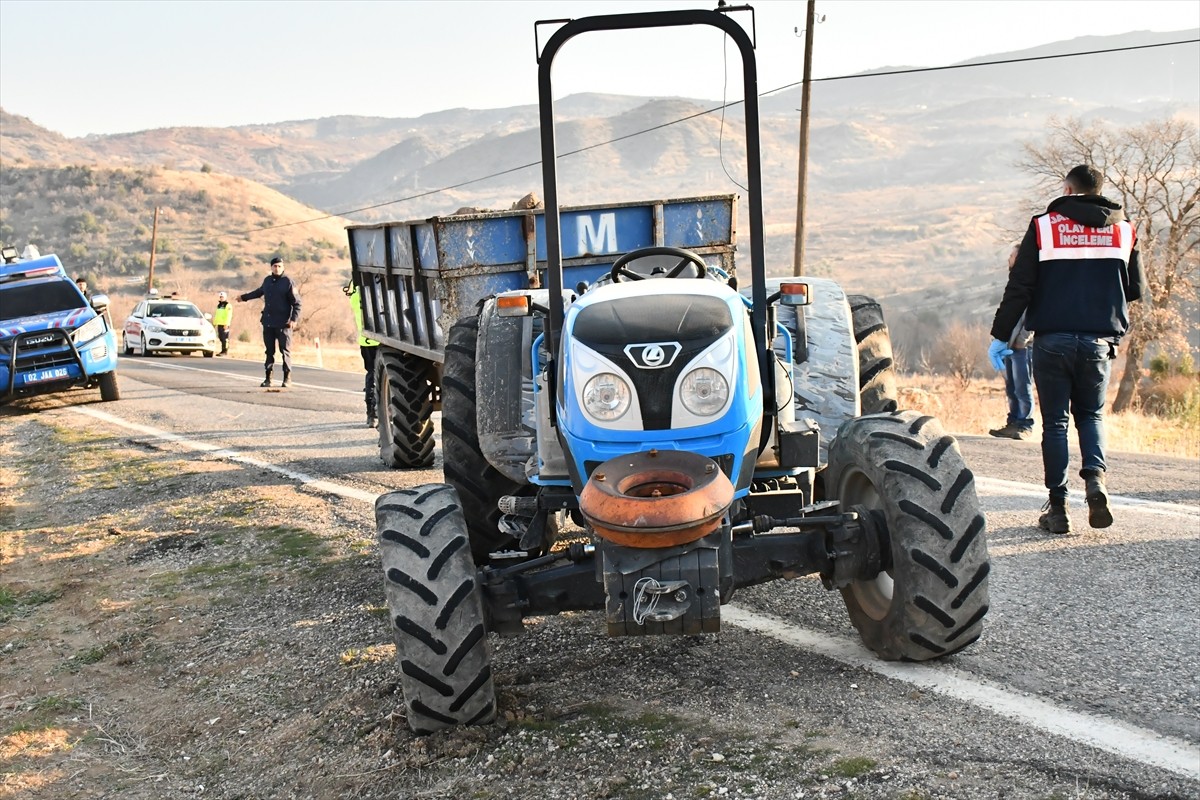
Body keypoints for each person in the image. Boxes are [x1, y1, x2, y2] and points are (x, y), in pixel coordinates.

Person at [988, 164, 1145, 535]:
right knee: (1090, 417)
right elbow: (1135, 287)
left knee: (1056, 422)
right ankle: (1095, 483)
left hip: (1053, 340)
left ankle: (1057, 508)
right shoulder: (1124, 230)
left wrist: (1000, 334)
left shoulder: (1044, 226)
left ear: (1068, 190)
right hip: (1098, 341)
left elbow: (1021, 285)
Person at [988, 244, 1035, 440]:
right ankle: (1013, 422)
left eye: (1012, 255)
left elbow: (1032, 316)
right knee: (1011, 386)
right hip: (1009, 346)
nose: (1009, 258)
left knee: (1023, 386)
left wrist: (1022, 341)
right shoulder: (1015, 282)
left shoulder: (1031, 283)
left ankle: (1025, 424)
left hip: (1022, 347)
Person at [237, 256, 301, 388]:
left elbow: (297, 303)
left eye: (279, 266)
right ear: (271, 267)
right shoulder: (267, 281)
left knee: (285, 351)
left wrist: (294, 319)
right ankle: (268, 378)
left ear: (283, 267)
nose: (277, 268)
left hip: (284, 323)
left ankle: (287, 378)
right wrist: (244, 297)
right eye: (274, 266)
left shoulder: (288, 282)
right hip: (268, 322)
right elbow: (259, 292)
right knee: (269, 351)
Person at [344, 279, 380, 427]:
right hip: (379, 340)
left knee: (371, 375)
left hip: (366, 340)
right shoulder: (375, 292)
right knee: (378, 377)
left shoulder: (355, 290)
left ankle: (371, 414)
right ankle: (376, 413)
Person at [213, 291, 233, 356]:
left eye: (222, 297)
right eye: (220, 297)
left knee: (225, 338)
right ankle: (222, 350)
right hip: (219, 324)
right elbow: (217, 315)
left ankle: (225, 351)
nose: (221, 298)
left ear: (225, 297)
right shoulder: (219, 305)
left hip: (225, 325)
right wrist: (214, 323)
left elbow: (229, 315)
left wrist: (226, 324)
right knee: (221, 337)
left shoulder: (228, 305)